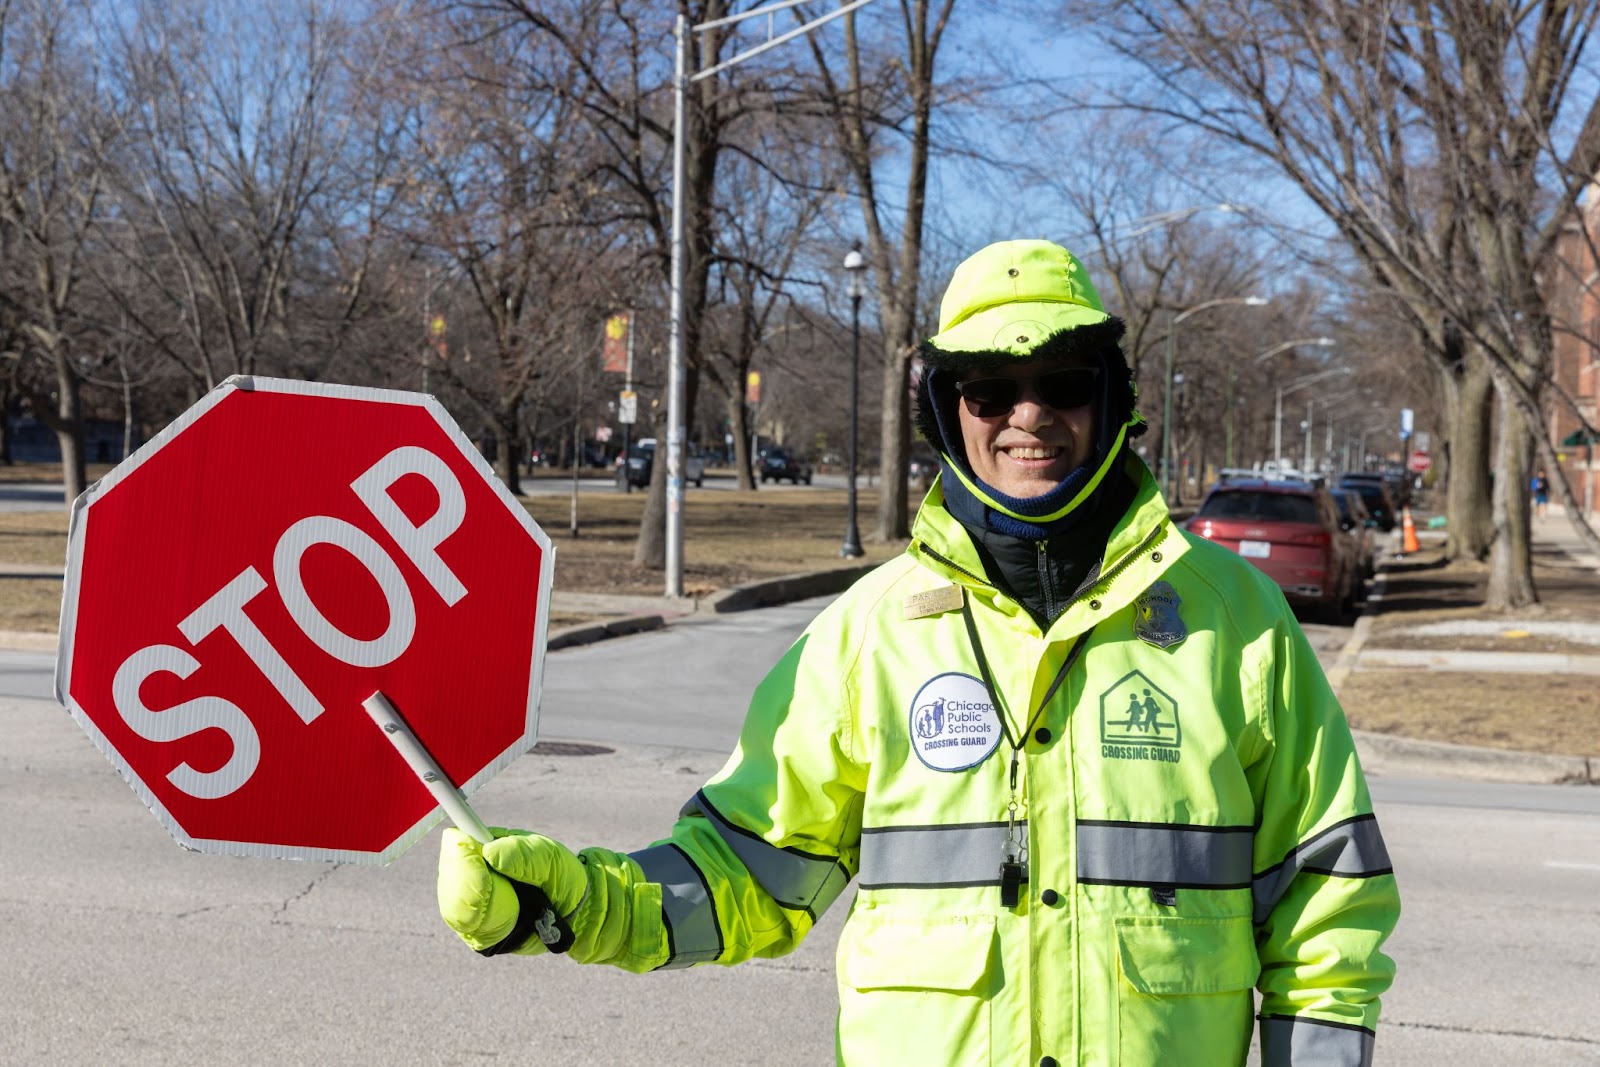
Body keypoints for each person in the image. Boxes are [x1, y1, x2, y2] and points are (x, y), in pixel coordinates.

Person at [437, 239, 1400, 1066]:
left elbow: (1329, 918)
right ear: (948, 408)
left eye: (1063, 382)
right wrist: (568, 901)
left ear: (1110, 400)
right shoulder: (868, 632)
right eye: (990, 387)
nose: (1029, 415)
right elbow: (743, 876)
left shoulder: (1238, 622)